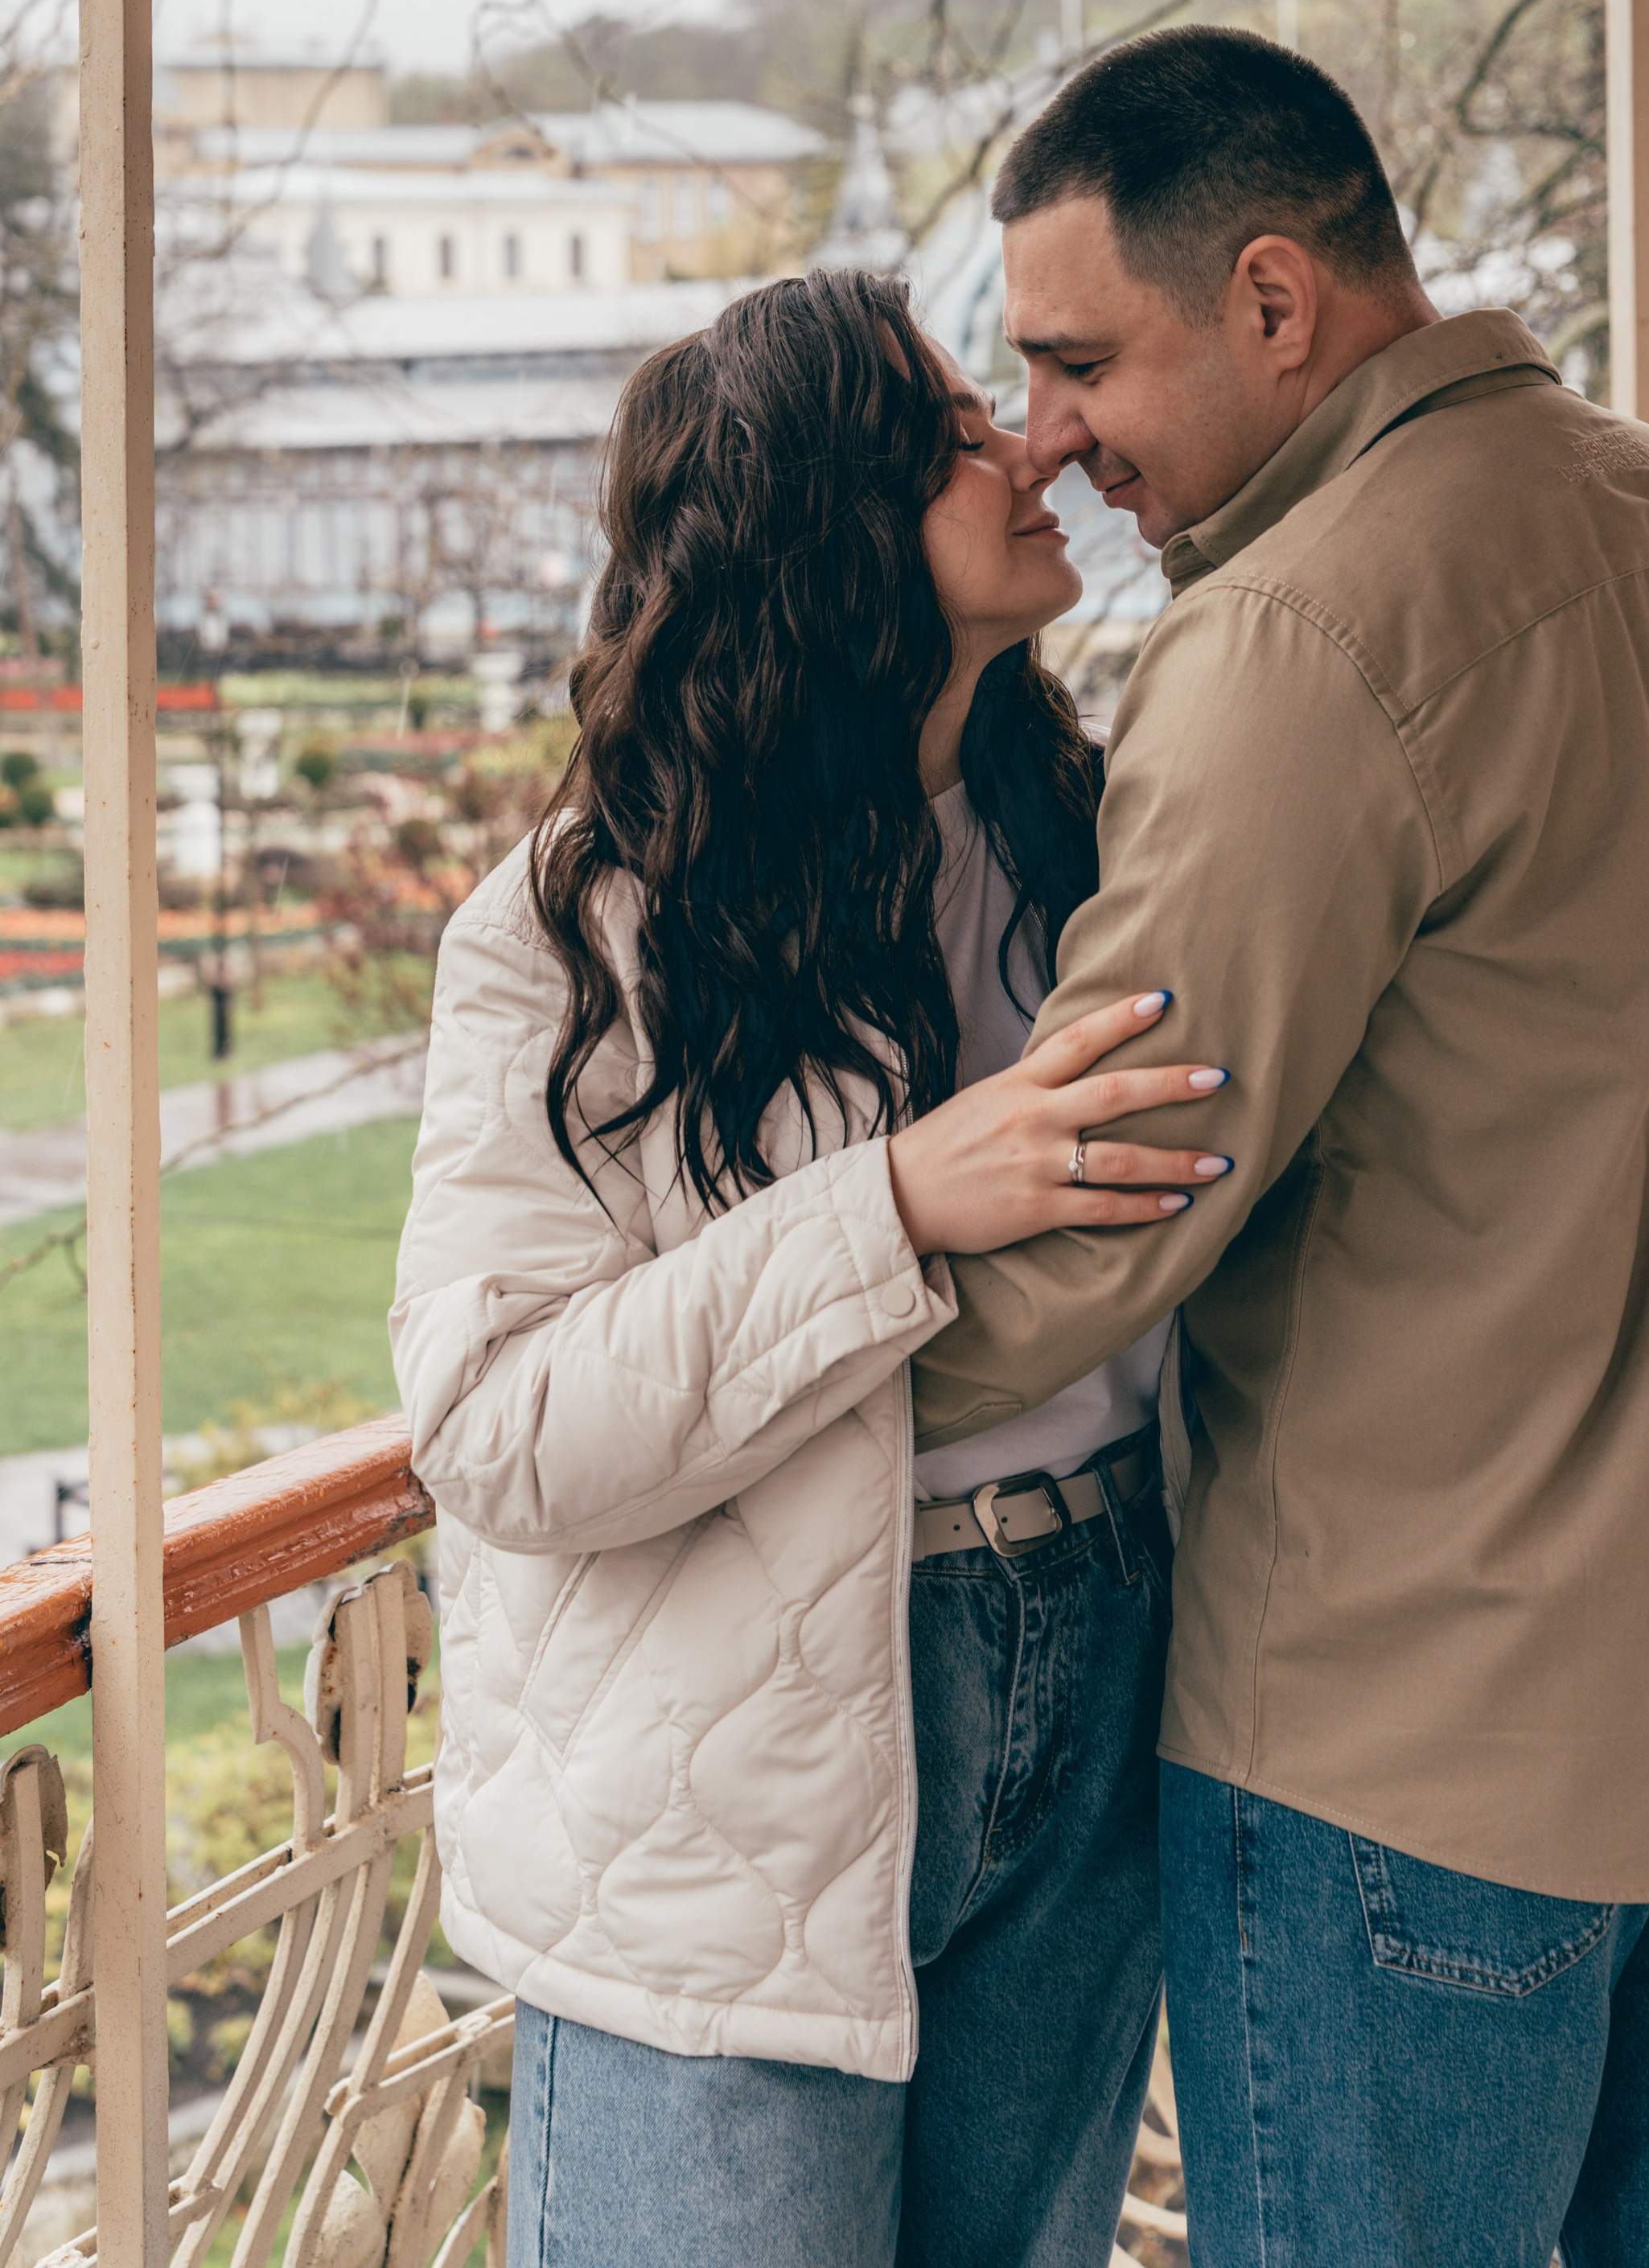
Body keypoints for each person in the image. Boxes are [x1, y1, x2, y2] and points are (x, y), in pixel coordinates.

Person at [911, 23, 1649, 2268]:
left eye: (1080, 365)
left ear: (1275, 301)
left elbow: (1095, 1211)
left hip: (1419, 1764)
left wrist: (717, 1357)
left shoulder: (1295, 637)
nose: (1052, 442)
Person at [389, 269, 1234, 2268]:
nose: (1029, 440)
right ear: (820, 519)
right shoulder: (577, 932)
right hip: (731, 1767)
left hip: (1101, 1648)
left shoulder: (1100, 840)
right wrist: (894, 1206)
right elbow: (496, 1430)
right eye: (950, 426)